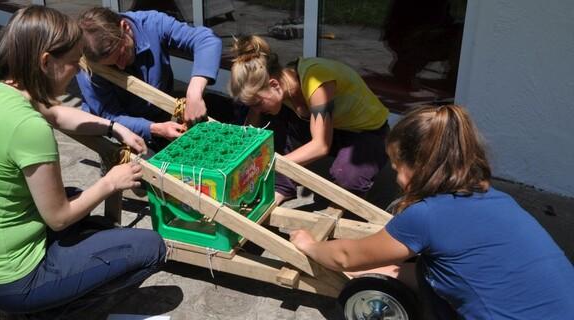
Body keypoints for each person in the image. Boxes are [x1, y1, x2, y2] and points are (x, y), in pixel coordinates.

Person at [0, 6, 166, 316]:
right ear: (46, 62)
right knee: (151, 248)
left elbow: (57, 113)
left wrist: (114, 126)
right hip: (11, 278)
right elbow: (59, 217)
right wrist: (111, 182)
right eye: (74, 63)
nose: (79, 71)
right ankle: (46, 312)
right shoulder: (27, 128)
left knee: (86, 211)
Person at [290, 105, 574, 319]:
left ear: (420, 167)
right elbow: (463, 265)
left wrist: (310, 245)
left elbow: (344, 256)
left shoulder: (425, 216)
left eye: (396, 167)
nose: (397, 178)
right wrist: (395, 270)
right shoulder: (496, 197)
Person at [229, 35, 390, 204]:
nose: (256, 109)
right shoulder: (283, 85)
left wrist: (267, 163)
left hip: (367, 133)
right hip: (334, 127)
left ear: (275, 84)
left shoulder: (317, 80)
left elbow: (321, 146)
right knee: (269, 127)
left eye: (257, 103)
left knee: (347, 178)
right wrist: (243, 157)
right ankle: (281, 187)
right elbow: (251, 130)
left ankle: (350, 203)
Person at [76, 7, 223, 151]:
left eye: (121, 55)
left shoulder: (153, 24)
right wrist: (154, 129)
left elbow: (206, 40)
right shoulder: (87, 65)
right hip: (121, 128)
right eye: (111, 65)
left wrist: (194, 94)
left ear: (125, 27)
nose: (120, 67)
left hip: (159, 112)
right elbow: (110, 116)